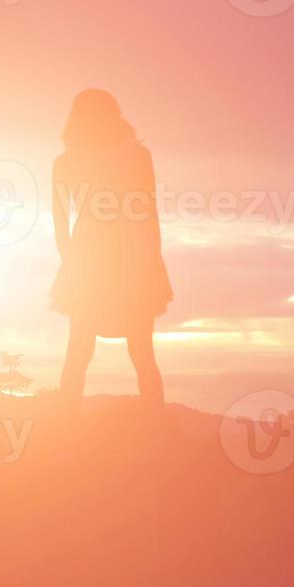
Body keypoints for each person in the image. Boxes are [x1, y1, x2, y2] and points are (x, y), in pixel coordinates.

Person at [50, 89, 172, 408]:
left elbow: (60, 224)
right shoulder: (137, 156)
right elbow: (148, 212)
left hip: (90, 260)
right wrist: (153, 263)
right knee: (141, 352)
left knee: (79, 350)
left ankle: (67, 429)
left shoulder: (66, 162)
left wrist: (72, 263)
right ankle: (156, 429)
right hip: (132, 258)